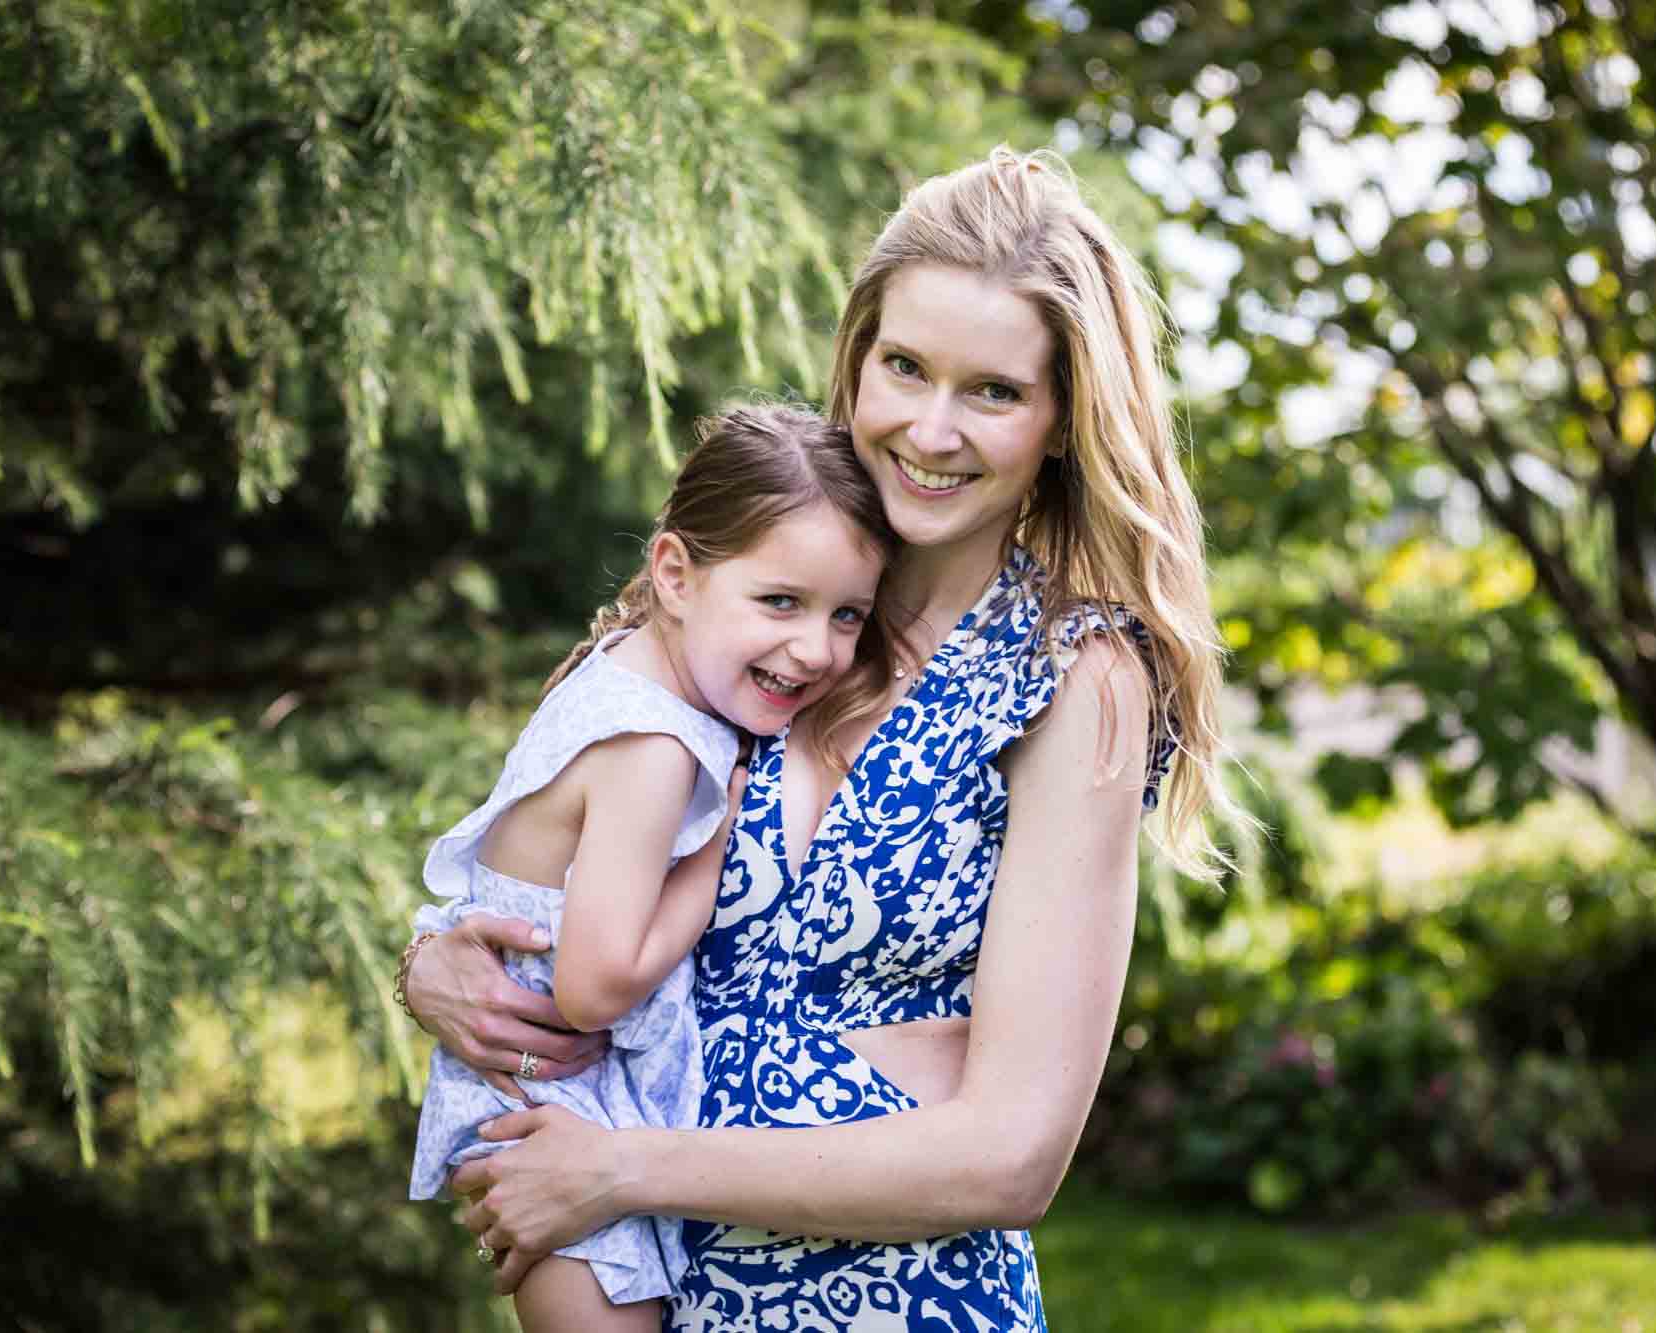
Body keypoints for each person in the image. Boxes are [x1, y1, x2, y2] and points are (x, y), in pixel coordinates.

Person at [399, 146, 1235, 1331]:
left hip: (893, 1301)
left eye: (992, 391)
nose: (930, 430)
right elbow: (563, 843)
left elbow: (1009, 1156)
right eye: (903, 367)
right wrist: (438, 962)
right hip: (649, 1287)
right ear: (856, 361)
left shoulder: (1069, 678)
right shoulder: (754, 599)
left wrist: (622, 1167)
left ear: (1060, 421)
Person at [403, 404, 900, 1332]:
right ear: (675, 573)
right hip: (555, 1109)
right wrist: (713, 854)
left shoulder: (622, 670)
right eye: (781, 601)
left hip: (563, 1101)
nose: (818, 649)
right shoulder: (654, 748)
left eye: (848, 616)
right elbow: (594, 988)